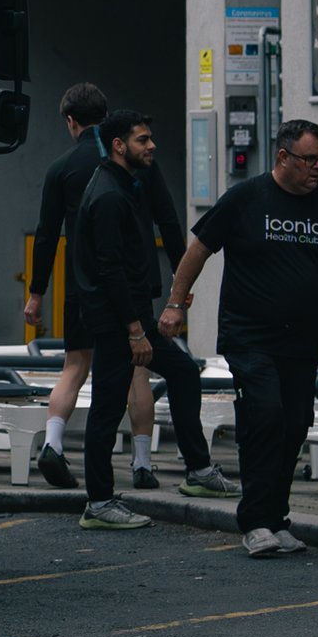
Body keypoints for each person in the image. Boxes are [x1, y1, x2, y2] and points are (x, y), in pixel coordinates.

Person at [162, 119, 318, 557]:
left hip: (305, 339)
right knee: (265, 413)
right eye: (309, 159)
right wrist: (176, 304)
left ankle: (277, 517)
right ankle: (256, 521)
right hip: (250, 336)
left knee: (294, 424)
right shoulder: (246, 198)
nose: (317, 168)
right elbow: (197, 248)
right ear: (282, 157)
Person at [27, 87, 201, 494]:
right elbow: (169, 221)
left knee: (75, 366)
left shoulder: (63, 167)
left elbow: (47, 233)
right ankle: (141, 462)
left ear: (71, 121)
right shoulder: (134, 167)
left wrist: (37, 292)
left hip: (83, 287)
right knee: (135, 370)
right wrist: (181, 280)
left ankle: (53, 442)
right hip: (131, 285)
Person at [72, 111, 213, 530]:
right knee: (107, 408)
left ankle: (200, 471)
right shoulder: (110, 195)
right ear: (119, 145)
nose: (152, 146)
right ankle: (98, 502)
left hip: (130, 313)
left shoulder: (124, 184)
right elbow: (110, 269)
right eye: (143, 140)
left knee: (184, 372)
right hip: (117, 319)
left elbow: (165, 225)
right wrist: (135, 331)